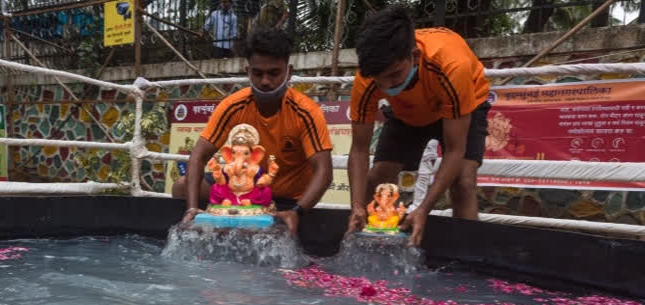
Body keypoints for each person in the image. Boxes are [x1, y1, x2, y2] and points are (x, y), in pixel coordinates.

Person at [346, 5, 490, 246]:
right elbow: (359, 150)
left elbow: (455, 151)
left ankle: (469, 258)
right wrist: (357, 206)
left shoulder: (452, 66)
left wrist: (423, 208)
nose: (385, 85)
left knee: (463, 183)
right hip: (406, 111)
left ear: (414, 56)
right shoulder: (368, 79)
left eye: (394, 75)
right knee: (377, 179)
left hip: (464, 104)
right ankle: (365, 245)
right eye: (378, 79)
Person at [174, 26, 334, 236]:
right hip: (240, 190)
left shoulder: (306, 112)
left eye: (273, 73)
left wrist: (297, 211)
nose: (265, 81)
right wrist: (192, 208)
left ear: (289, 72)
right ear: (248, 71)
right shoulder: (233, 105)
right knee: (180, 187)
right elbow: (199, 154)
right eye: (257, 73)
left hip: (288, 198)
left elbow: (324, 171)